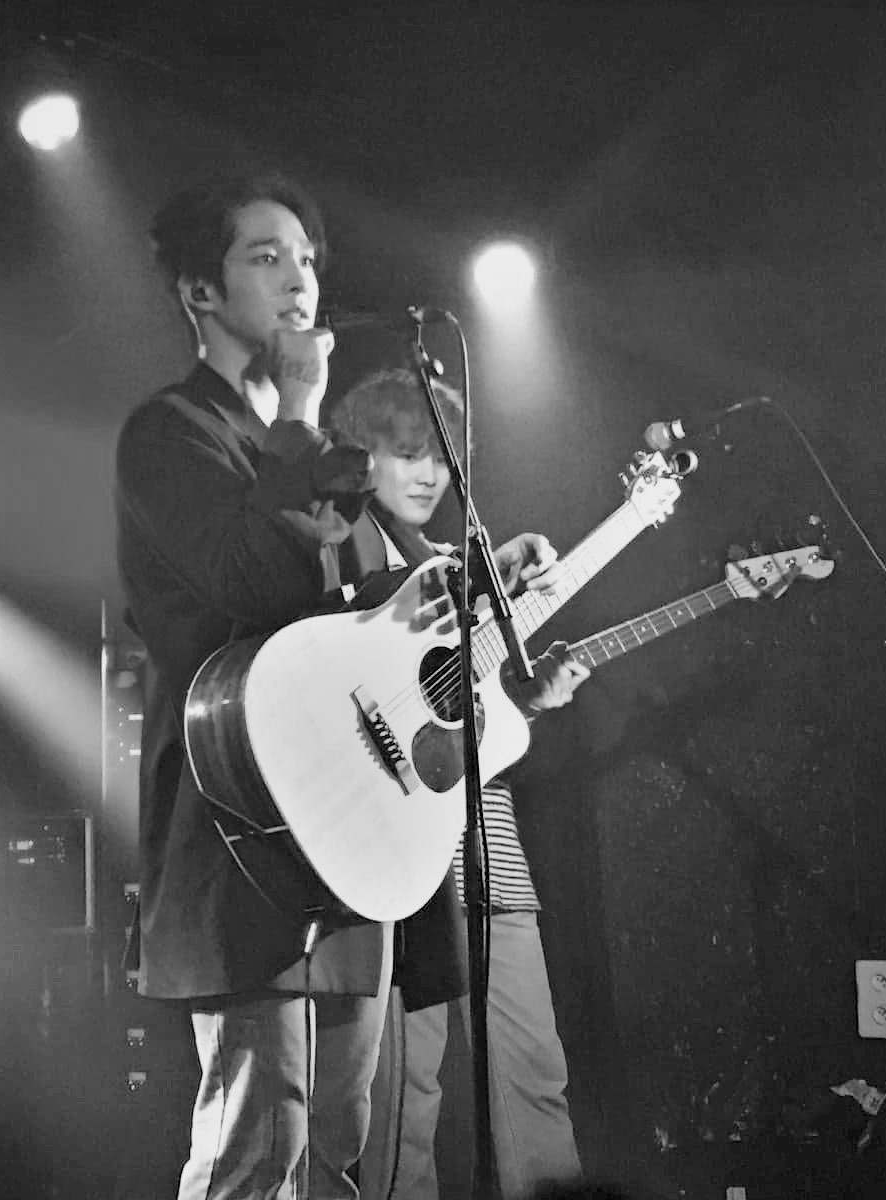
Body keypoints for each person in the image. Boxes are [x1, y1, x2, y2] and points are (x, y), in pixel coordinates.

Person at [114, 173, 576, 1200]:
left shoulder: (327, 459)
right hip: (245, 823)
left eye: (308, 258)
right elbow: (252, 582)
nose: (300, 279)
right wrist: (299, 408)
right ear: (199, 291)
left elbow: (360, 625)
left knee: (341, 1138)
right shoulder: (170, 434)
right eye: (265, 257)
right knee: (259, 1139)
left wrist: (464, 593)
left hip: (356, 835)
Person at [326, 368, 588, 1200]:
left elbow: (471, 719)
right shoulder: (337, 548)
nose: (430, 475)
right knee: (405, 1099)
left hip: (488, 850)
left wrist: (525, 700)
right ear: (361, 455)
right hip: (400, 857)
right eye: (409, 453)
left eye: (442, 458)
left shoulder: (453, 565)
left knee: (535, 1074)